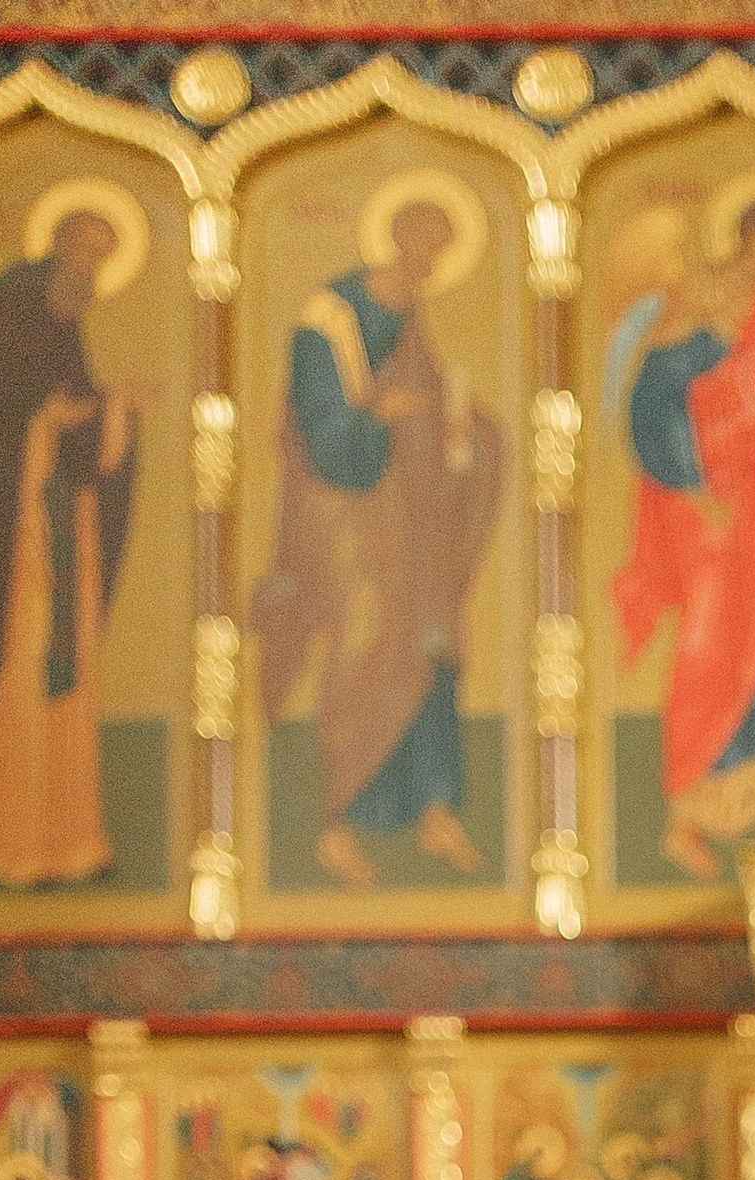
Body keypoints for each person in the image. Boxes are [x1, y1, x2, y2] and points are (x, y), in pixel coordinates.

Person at [253, 191, 504, 891]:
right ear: (397, 238)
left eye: (440, 249)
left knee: (433, 642)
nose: (427, 261)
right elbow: (319, 426)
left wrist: (469, 433)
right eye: (421, 241)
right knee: (366, 642)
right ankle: (336, 821)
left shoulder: (410, 318)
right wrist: (375, 417)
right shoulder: (329, 317)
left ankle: (432, 808)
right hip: (345, 514)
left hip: (411, 520)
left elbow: (424, 409)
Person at [613, 196, 755, 880]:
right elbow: (656, 394)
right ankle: (684, 817)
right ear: (748, 234)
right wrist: (692, 482)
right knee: (707, 651)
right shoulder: (700, 295)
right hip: (708, 510)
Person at [0, 201, 138, 890]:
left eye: (102, 259)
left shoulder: (63, 328)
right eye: (84, 253)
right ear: (57, 248)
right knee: (16, 675)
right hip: (10, 541)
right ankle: (6, 844)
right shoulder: (1, 316)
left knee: (64, 684)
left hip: (63, 530)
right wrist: (40, 422)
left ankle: (67, 842)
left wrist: (112, 409)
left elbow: (80, 427)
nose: (90, 272)